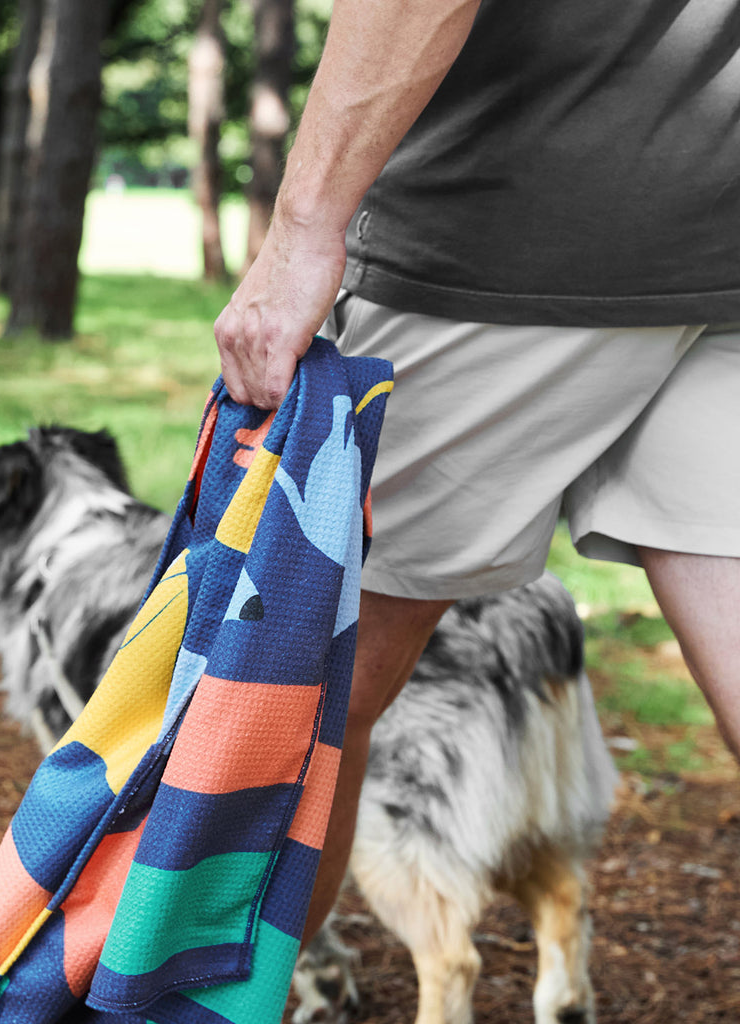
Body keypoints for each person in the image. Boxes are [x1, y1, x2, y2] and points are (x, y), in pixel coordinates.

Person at [213, 0, 740, 943]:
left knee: (299, 687)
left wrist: (302, 229)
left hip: (513, 229)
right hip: (718, 221)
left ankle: (217, 999)